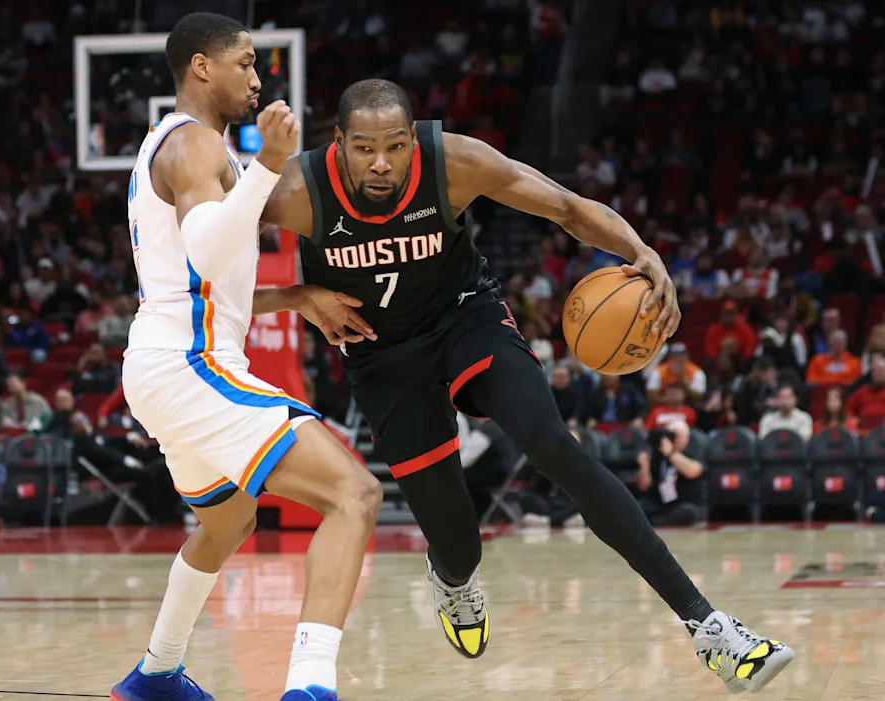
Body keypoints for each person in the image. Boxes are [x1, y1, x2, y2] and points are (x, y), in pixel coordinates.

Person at [257, 77, 792, 692]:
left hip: (465, 318)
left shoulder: (454, 163)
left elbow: (565, 207)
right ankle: (452, 579)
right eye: (365, 148)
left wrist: (642, 250)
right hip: (381, 359)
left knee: (553, 445)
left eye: (396, 146)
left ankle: (712, 629)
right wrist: (296, 296)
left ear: (413, 141)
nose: (382, 163)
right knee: (459, 548)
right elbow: (202, 272)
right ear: (339, 143)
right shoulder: (296, 192)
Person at [111, 14, 382, 701]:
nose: (258, 79)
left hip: (167, 359)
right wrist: (267, 166)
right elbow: (207, 250)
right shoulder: (196, 144)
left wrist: (292, 296)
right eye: (246, 64)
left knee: (230, 518)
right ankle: (311, 688)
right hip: (186, 362)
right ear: (201, 67)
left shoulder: (179, 147)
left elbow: (205, 281)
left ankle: (157, 674)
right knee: (354, 493)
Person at [636, 422, 704, 526]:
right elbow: (643, 486)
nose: (674, 439)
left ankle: (656, 522)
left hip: (683, 503)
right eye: (671, 435)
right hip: (659, 503)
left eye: (678, 436)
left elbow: (693, 472)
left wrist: (671, 454)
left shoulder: (693, 451)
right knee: (636, 509)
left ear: (687, 438)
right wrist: (644, 466)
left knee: (687, 513)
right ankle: (657, 522)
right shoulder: (656, 454)